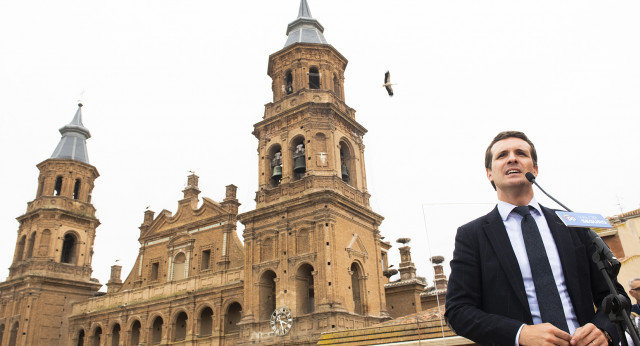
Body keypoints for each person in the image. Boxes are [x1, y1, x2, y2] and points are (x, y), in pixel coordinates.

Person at [445, 131, 629, 346]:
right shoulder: (472, 235)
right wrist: (520, 333)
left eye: (521, 153)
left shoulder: (572, 224)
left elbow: (615, 296)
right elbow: (458, 310)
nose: (512, 158)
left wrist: (603, 330)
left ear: (535, 169)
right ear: (489, 174)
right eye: (502, 155)